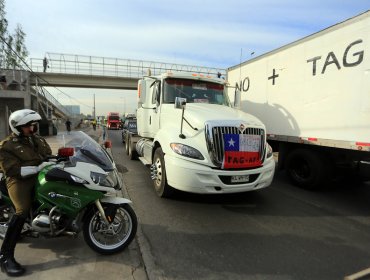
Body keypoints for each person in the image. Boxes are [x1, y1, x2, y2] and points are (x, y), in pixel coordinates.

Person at [0, 109, 52, 277]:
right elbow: (12, 169)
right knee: (22, 210)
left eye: (33, 125)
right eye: (28, 126)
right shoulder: (7, 145)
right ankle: (5, 256)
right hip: (18, 179)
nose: (32, 129)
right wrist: (37, 167)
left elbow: (48, 155)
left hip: (40, 175)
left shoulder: (37, 139)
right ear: (17, 127)